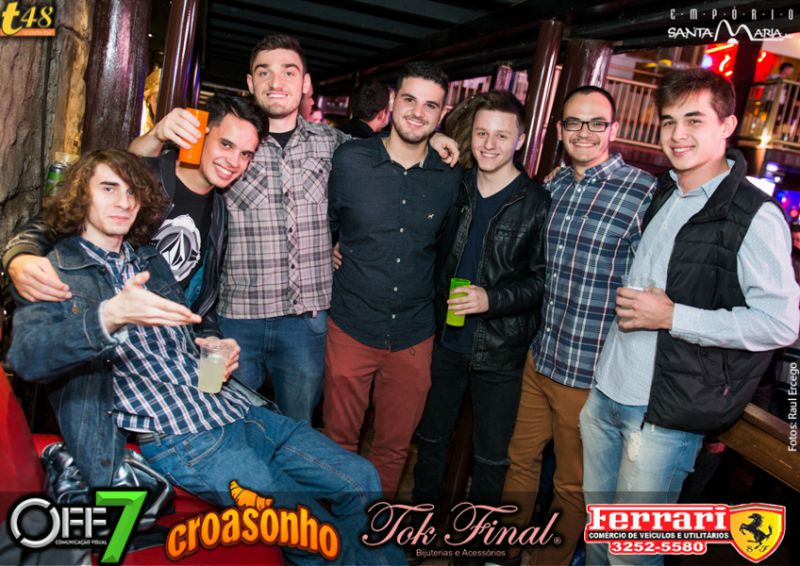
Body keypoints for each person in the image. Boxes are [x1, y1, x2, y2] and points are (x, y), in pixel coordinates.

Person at [6, 149, 404, 566]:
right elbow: (29, 358)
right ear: (80, 195)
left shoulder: (150, 259)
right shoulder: (54, 270)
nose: (123, 202)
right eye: (108, 189)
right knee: (310, 532)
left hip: (238, 410)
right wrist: (109, 316)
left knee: (361, 479)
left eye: (132, 192)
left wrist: (213, 346)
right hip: (185, 439)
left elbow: (186, 332)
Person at [129, 34, 458, 423]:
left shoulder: (337, 145)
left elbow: (394, 149)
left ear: (306, 84)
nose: (276, 82)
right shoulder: (227, 143)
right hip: (235, 320)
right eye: (264, 72)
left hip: (307, 325)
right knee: (222, 418)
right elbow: (133, 172)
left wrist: (433, 135)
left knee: (296, 428)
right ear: (250, 83)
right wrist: (157, 134)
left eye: (289, 72)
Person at [580, 68, 800, 566]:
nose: (677, 134)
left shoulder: (754, 214)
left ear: (727, 125)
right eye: (669, 121)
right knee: (597, 542)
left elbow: (781, 324)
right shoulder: (665, 191)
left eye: (694, 120)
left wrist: (674, 316)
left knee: (631, 556)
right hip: (607, 394)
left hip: (663, 417)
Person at [499, 86, 656, 565]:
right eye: (573, 123)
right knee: (519, 461)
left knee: (572, 485)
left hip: (590, 373)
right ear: (559, 129)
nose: (584, 132)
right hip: (540, 356)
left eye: (596, 123)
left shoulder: (644, 192)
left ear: (614, 129)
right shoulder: (554, 185)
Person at [2, 95, 267, 340]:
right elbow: (56, 218)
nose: (234, 161)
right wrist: (20, 256)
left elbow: (203, 295)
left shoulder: (220, 213)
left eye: (245, 154)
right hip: (100, 329)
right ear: (200, 135)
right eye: (226, 144)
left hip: (162, 343)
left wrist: (211, 337)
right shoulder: (144, 176)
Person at [324, 61, 462, 497]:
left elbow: (446, 249)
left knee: (394, 448)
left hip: (414, 335)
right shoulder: (350, 160)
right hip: (351, 324)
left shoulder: (450, 177)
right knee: (338, 441)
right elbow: (325, 223)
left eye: (430, 105)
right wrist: (332, 245)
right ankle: (336, 525)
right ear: (392, 102)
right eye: (410, 99)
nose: (418, 112)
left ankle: (374, 524)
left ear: (441, 114)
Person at [412, 90, 550, 509]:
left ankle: (478, 538)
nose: (489, 144)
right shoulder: (455, 186)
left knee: (491, 459)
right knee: (430, 441)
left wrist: (492, 299)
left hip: (501, 350)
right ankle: (420, 526)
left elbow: (542, 282)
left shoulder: (537, 203)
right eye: (481, 133)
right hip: (445, 341)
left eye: (501, 136)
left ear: (519, 140)